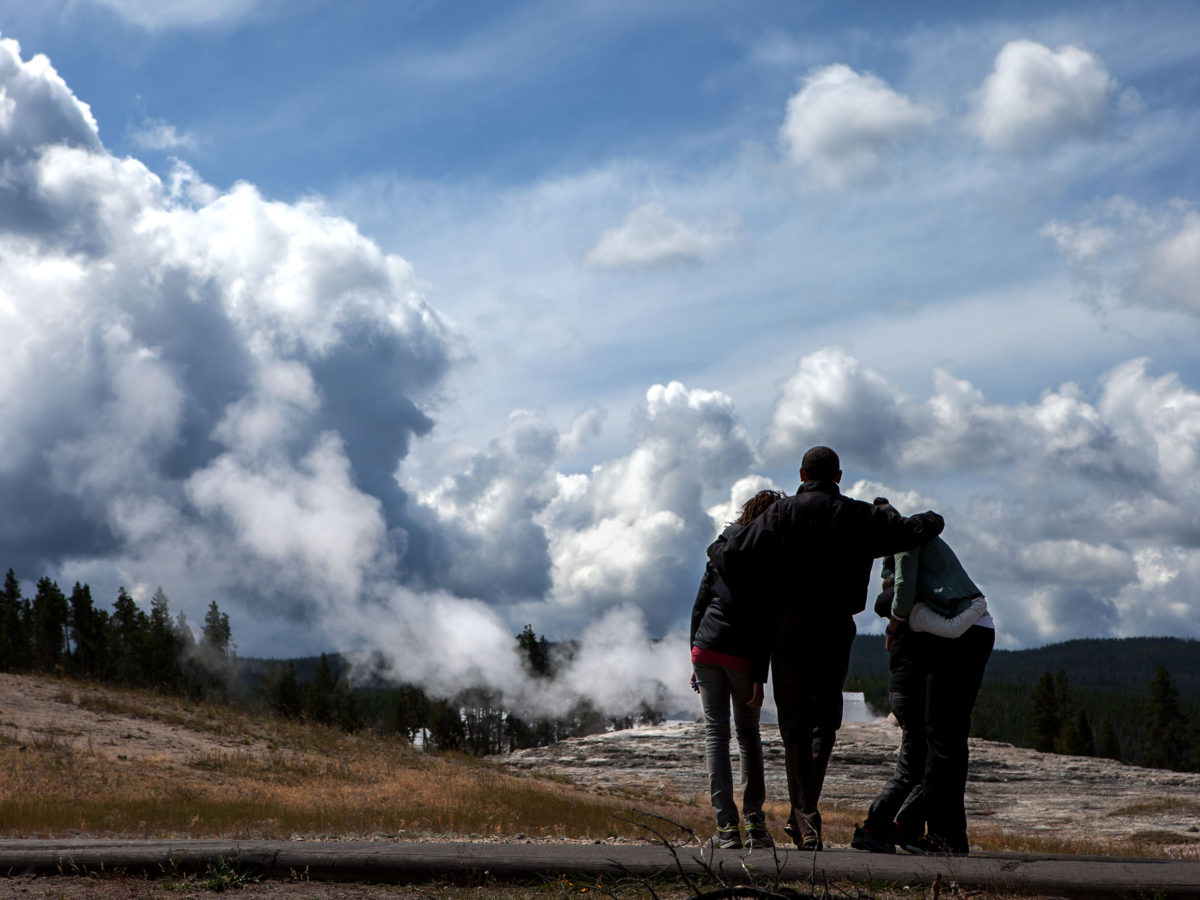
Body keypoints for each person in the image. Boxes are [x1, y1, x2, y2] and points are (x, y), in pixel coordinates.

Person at [707, 446, 945, 850]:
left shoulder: (780, 514)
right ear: (839, 476)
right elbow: (914, 530)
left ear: (802, 473)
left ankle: (807, 819)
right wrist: (929, 516)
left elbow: (729, 555)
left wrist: (719, 549)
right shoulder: (857, 515)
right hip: (835, 627)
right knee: (825, 722)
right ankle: (805, 816)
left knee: (795, 725)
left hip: (788, 628)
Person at [851, 499, 995, 856]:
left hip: (966, 632)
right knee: (942, 738)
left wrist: (897, 619)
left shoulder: (903, 543)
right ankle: (940, 835)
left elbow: (905, 588)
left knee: (943, 741)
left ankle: (934, 834)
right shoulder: (908, 540)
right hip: (963, 632)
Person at [690, 489, 784, 850]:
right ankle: (755, 826)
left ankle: (726, 829)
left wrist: (693, 656)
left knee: (716, 735)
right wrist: (760, 678)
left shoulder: (720, 549)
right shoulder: (770, 559)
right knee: (748, 737)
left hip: (707, 649)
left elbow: (699, 606)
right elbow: (764, 627)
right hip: (744, 657)